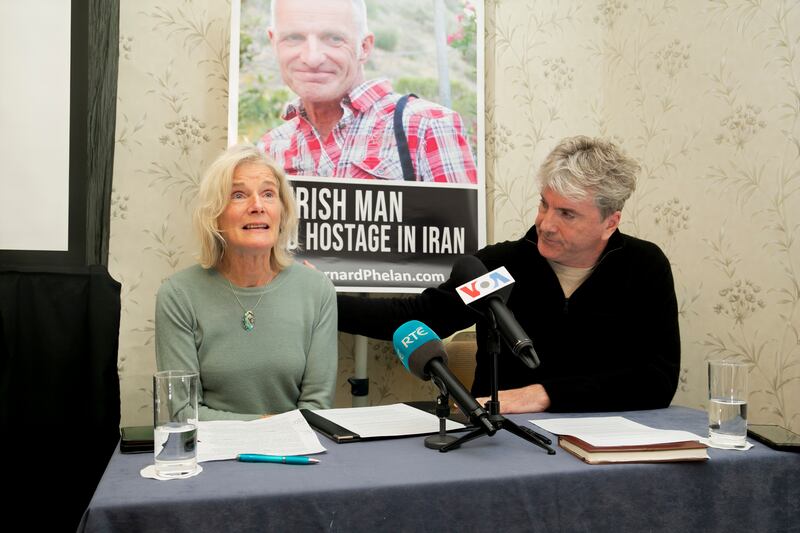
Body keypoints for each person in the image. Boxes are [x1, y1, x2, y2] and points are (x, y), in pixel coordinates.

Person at [338, 136, 680, 413]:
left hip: (607, 444)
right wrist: (319, 301)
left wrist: (544, 395)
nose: (545, 224)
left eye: (567, 214)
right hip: (501, 438)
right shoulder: (501, 268)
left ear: (610, 222)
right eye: (544, 204)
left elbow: (657, 381)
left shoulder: (645, 267)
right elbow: (421, 318)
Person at [155, 144, 338, 420]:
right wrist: (264, 426)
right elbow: (184, 412)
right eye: (239, 195)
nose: (257, 206)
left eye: (268, 194)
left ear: (282, 212)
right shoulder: (179, 295)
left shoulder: (317, 291)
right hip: (213, 456)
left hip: (296, 453)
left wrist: (271, 433)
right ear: (214, 215)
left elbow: (316, 408)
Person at [259, 0, 478, 184]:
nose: (312, 58)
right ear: (274, 42)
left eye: (334, 39)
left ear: (364, 47)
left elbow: (461, 234)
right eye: (294, 38)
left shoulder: (428, 127)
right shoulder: (270, 148)